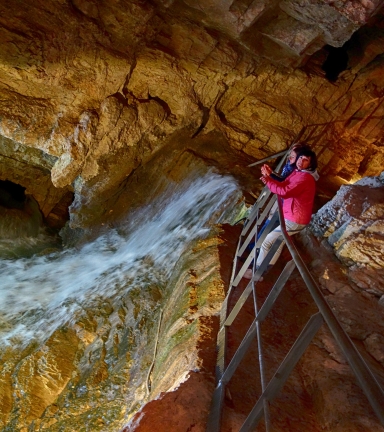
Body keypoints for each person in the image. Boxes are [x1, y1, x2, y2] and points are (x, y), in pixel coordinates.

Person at [244, 148, 318, 279]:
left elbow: (285, 191)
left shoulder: (305, 178)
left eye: (305, 160)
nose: (301, 161)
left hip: (296, 220)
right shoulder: (298, 172)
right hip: (292, 216)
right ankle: (261, 272)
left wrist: (268, 180)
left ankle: (257, 271)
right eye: (300, 158)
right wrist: (270, 174)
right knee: (277, 244)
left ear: (310, 164)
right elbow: (284, 183)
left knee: (268, 241)